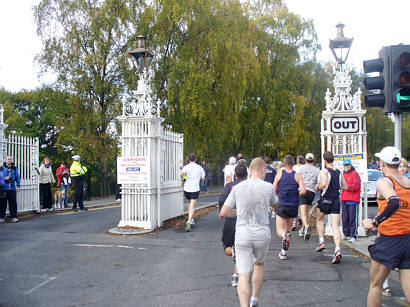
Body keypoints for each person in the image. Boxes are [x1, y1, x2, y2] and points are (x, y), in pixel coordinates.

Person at [219, 158, 278, 307]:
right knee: (258, 265)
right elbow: (276, 203)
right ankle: (254, 299)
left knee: (243, 275)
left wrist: (239, 212)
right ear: (263, 169)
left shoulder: (238, 188)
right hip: (261, 233)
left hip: (242, 234)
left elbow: (224, 211)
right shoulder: (268, 187)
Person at [362, 146, 410, 307]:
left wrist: (374, 222)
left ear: (382, 163)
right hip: (408, 239)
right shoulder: (408, 182)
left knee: (375, 286)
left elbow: (394, 202)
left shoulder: (384, 181)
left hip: (390, 239)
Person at [315, 151, 348, 264]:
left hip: (325, 199)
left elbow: (323, 184)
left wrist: (318, 186)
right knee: (335, 226)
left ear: (324, 160)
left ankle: (321, 241)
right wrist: (337, 187)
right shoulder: (339, 172)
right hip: (335, 200)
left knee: (319, 219)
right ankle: (337, 249)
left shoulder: (324, 171)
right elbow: (346, 187)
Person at [218, 163, 248, 287]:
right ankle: (236, 275)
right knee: (240, 249)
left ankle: (236, 276)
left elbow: (221, 199)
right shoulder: (249, 186)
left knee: (228, 249)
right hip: (246, 220)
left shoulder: (230, 186)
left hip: (231, 219)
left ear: (235, 175)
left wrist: (222, 211)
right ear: (247, 175)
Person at [273, 155, 306, 260]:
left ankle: (284, 237)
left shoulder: (279, 174)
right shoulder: (297, 176)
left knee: (280, 230)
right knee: (288, 229)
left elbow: (273, 188)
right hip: (293, 205)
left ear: (284, 164)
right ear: (293, 164)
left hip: (282, 204)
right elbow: (304, 191)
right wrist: (296, 192)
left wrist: (278, 194)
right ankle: (283, 252)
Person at [180, 153, 205, 232]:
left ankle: (191, 220)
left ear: (188, 159)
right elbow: (203, 178)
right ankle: (188, 222)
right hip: (195, 189)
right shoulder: (199, 167)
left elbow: (182, 174)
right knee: (192, 206)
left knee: (190, 204)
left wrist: (183, 180)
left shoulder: (186, 167)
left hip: (187, 189)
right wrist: (199, 178)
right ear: (195, 159)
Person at [297, 153, 319, 240]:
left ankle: (306, 226)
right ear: (313, 160)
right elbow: (318, 181)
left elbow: (296, 178)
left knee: (302, 212)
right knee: (306, 212)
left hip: (303, 190)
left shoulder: (300, 168)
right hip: (312, 192)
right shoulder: (317, 170)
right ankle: (302, 230)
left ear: (305, 160)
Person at [340, 159, 361, 243]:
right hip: (344, 198)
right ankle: (346, 233)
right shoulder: (342, 174)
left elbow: (355, 186)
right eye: (345, 165)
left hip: (353, 199)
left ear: (351, 165)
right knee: (344, 218)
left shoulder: (355, 174)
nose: (347, 167)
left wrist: (346, 187)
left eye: (348, 165)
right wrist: (346, 187)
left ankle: (353, 235)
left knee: (352, 218)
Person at [0, 156, 21, 222]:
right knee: (2, 203)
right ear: (5, 160)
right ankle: (1, 217)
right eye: (8, 159)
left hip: (12, 187)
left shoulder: (14, 168)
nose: (9, 160)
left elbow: (17, 177)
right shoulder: (1, 168)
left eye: (10, 159)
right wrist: (4, 178)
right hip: (4, 187)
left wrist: (18, 186)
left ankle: (14, 216)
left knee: (13, 203)